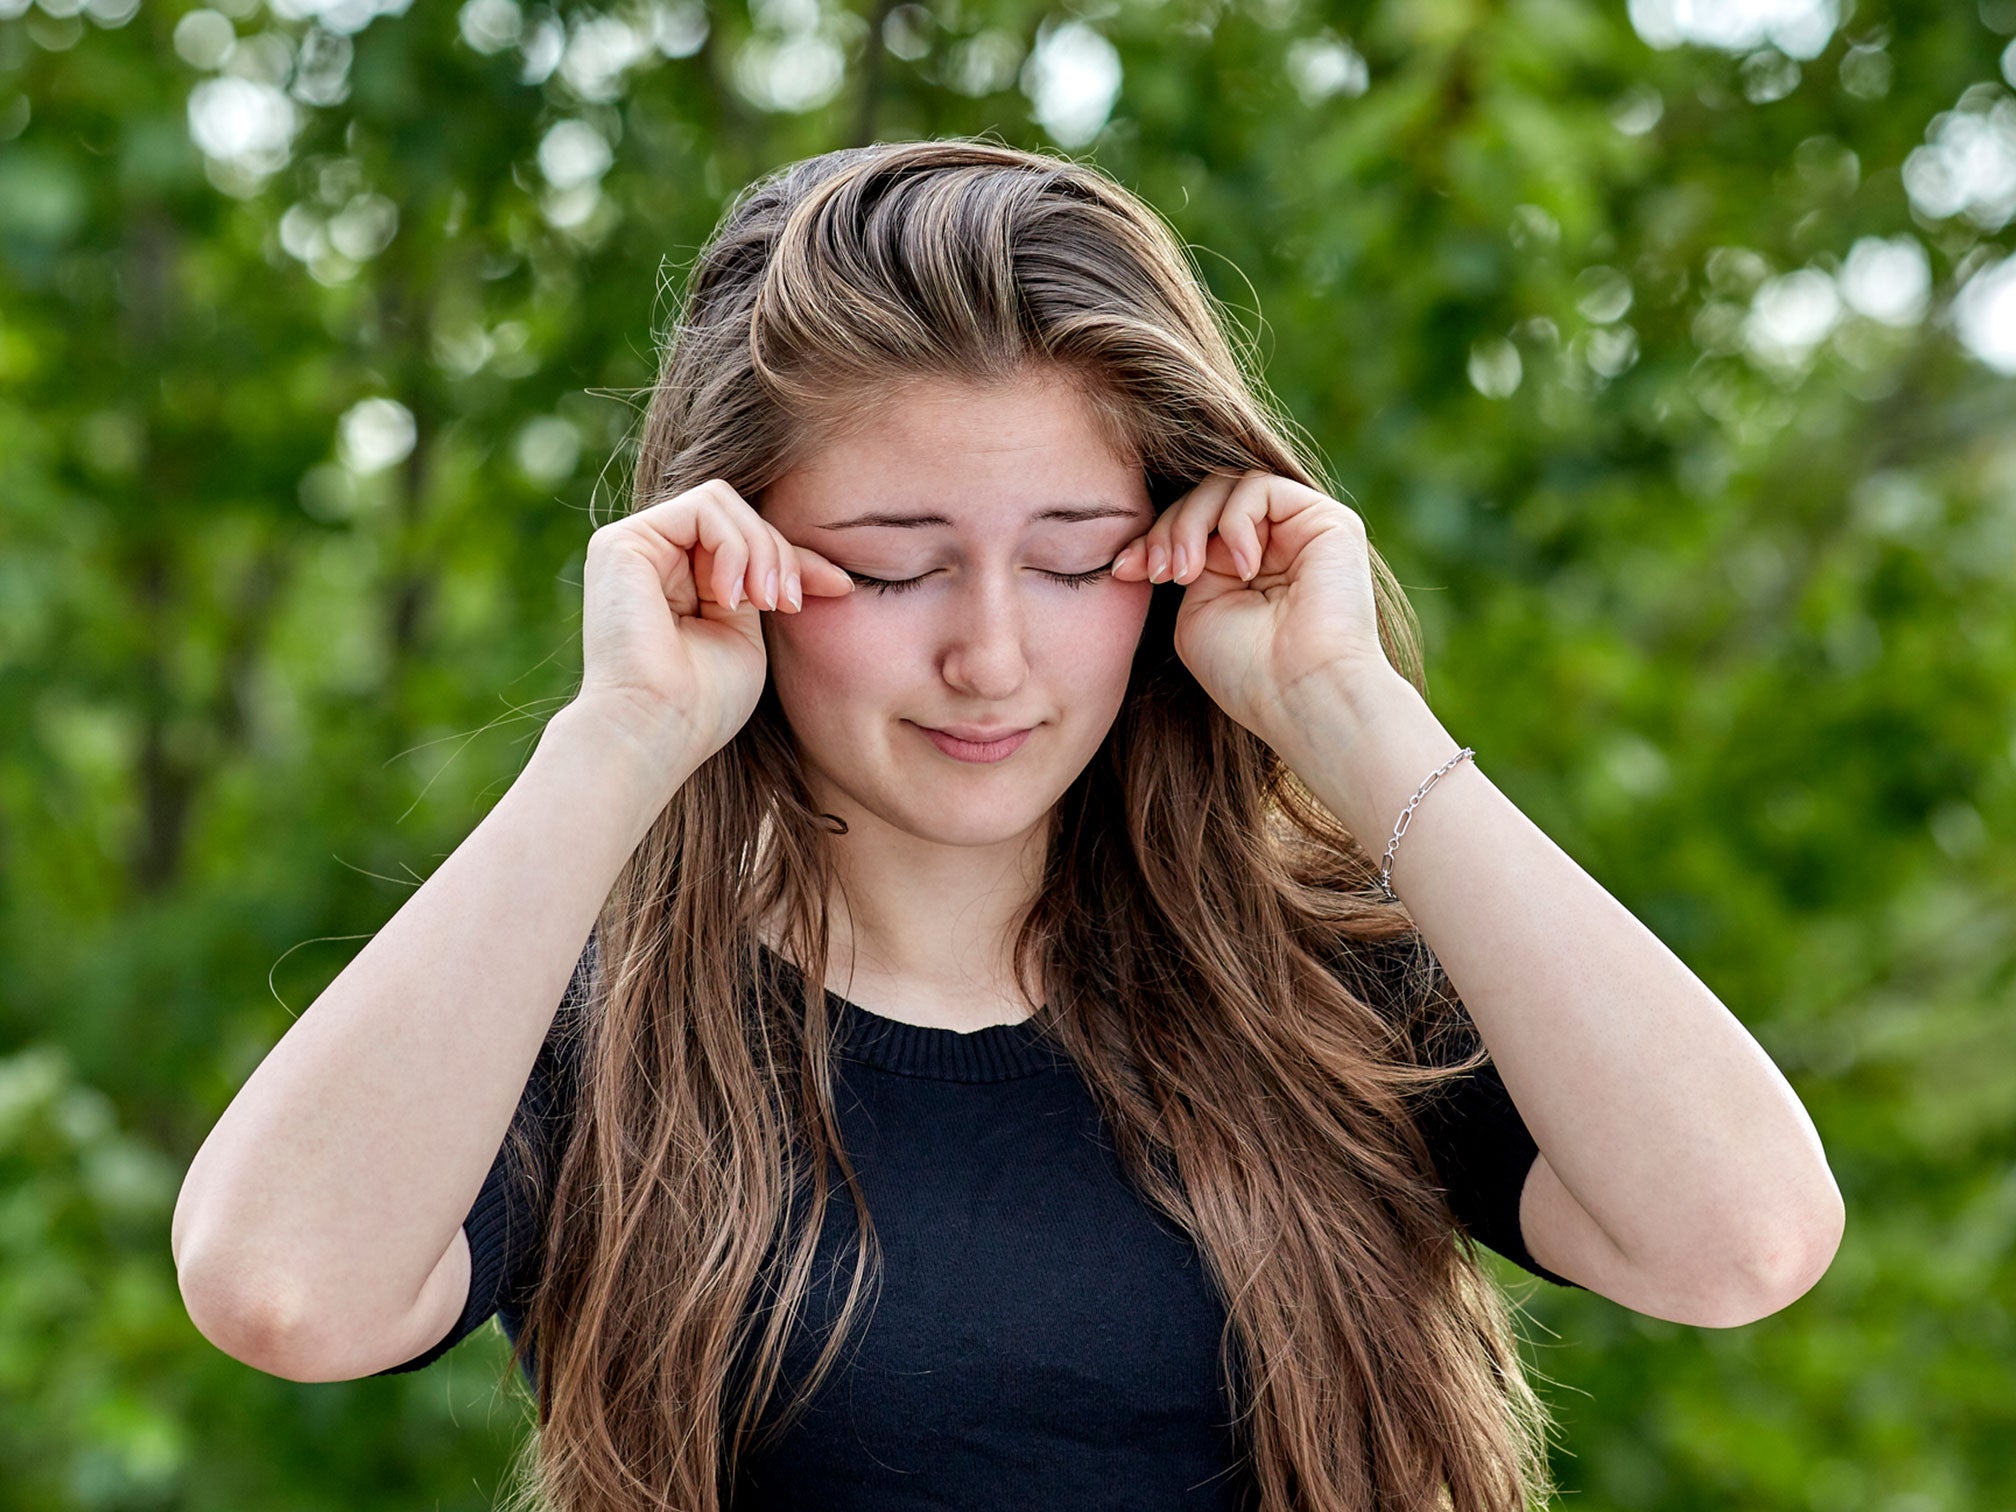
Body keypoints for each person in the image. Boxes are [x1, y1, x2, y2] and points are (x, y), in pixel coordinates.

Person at [170, 138, 1845, 1512]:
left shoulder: (1337, 987)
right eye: (895, 562)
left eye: (1069, 558)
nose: (990, 650)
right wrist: (614, 744)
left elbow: (1743, 1243)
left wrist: (1351, 712)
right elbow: (285, 1294)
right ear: (731, 552)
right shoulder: (598, 1020)